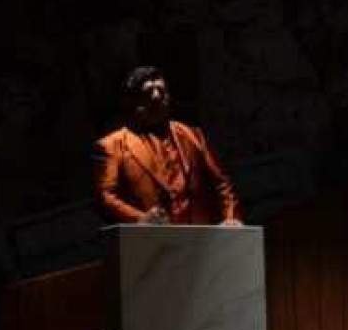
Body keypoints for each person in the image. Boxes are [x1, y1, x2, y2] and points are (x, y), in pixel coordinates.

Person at [92, 66, 243, 227]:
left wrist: (231, 217)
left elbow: (221, 182)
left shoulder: (192, 135)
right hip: (151, 243)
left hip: (199, 238)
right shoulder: (112, 145)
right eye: (148, 93)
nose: (156, 97)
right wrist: (140, 219)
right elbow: (105, 196)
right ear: (132, 100)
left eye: (161, 91)